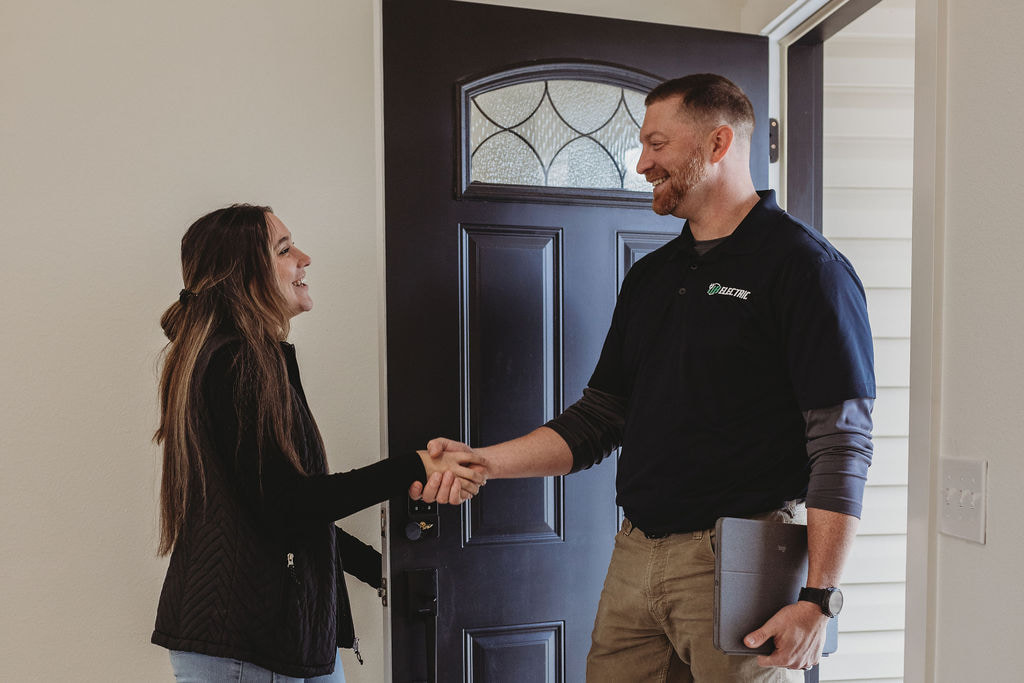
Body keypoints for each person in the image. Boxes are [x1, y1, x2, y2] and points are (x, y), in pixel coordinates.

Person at [414, 74, 875, 682]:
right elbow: (601, 417)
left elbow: (841, 442)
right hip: (634, 552)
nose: (641, 164)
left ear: (716, 145)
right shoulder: (652, 277)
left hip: (734, 561)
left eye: (657, 145)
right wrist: (484, 462)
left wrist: (819, 601)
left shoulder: (806, 269)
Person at [151, 204, 484, 682]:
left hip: (261, 642)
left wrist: (384, 568)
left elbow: (273, 508)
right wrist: (413, 466)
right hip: (250, 646)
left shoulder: (245, 358)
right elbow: (286, 506)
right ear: (243, 275)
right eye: (284, 249)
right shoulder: (236, 362)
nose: (304, 258)